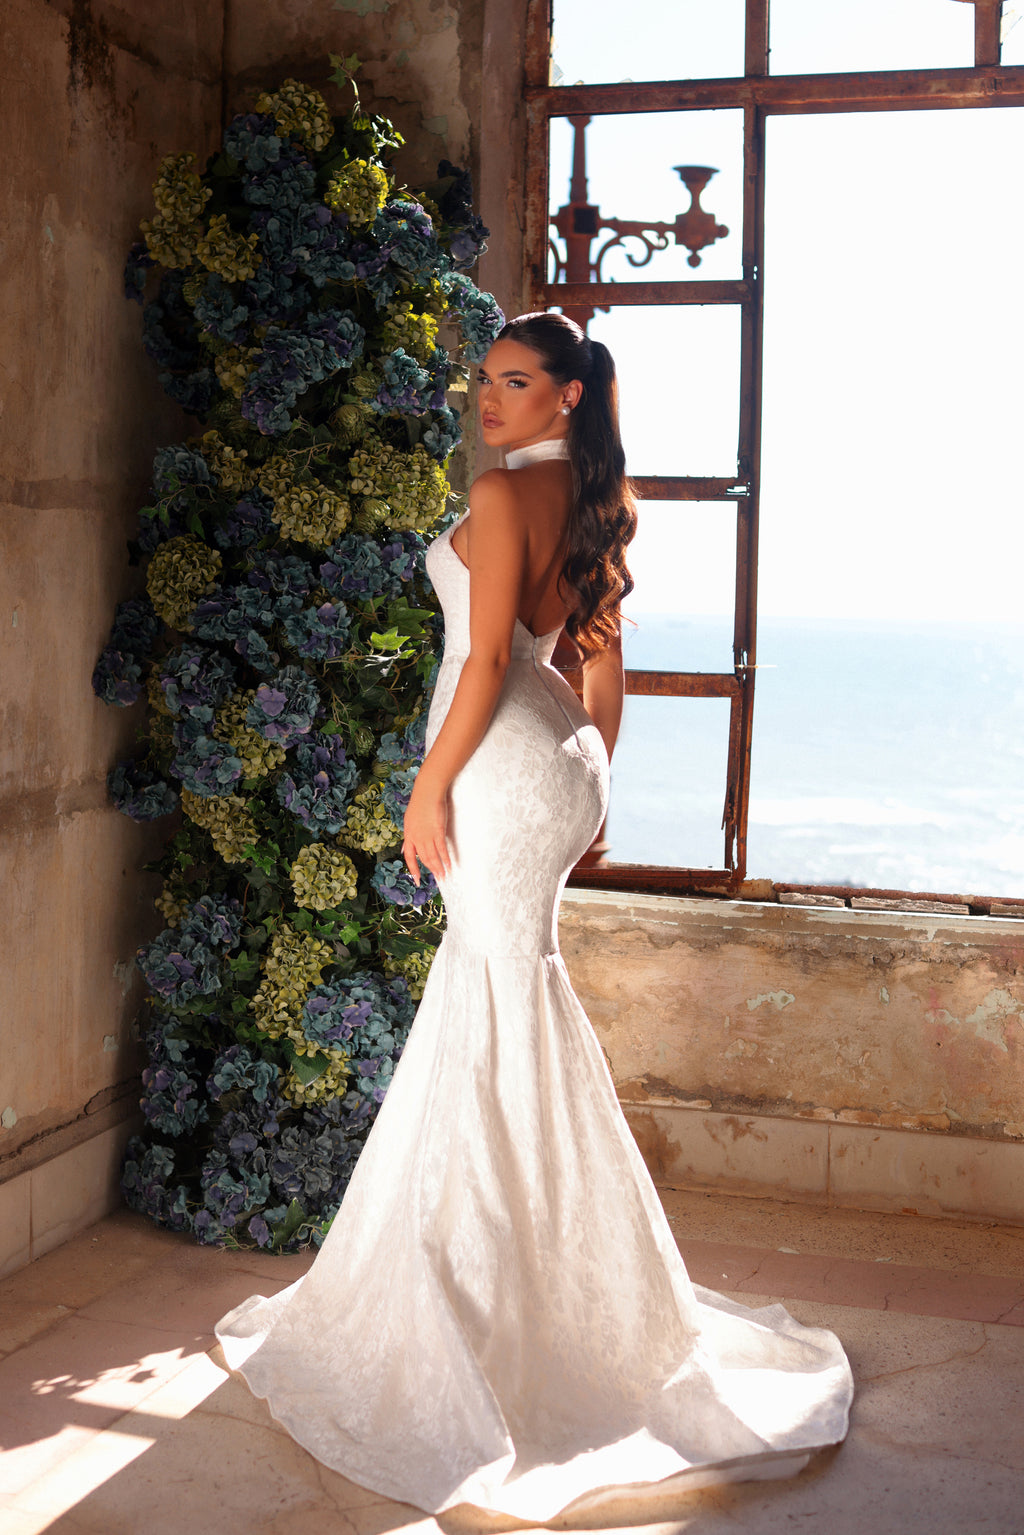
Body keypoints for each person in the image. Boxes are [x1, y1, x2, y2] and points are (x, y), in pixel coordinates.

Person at [215, 312, 853, 1521]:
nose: (488, 399)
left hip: (496, 758)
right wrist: (591, 774)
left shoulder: (502, 496)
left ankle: (497, 1294)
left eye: (514, 382)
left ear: (567, 396)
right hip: (552, 758)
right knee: (507, 992)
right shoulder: (600, 503)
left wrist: (424, 785)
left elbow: (478, 664)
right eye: (484, 380)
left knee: (492, 992)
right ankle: (539, 1276)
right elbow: (593, 665)